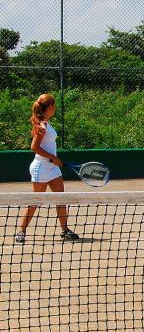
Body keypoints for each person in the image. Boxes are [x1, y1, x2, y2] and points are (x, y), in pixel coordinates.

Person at [15, 94, 79, 243]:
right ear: (49, 107)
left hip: (52, 169)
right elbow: (34, 147)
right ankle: (21, 231)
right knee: (36, 200)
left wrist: (53, 159)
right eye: (54, 106)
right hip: (40, 168)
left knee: (61, 199)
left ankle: (65, 230)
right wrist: (53, 157)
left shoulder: (46, 123)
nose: (55, 108)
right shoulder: (41, 126)